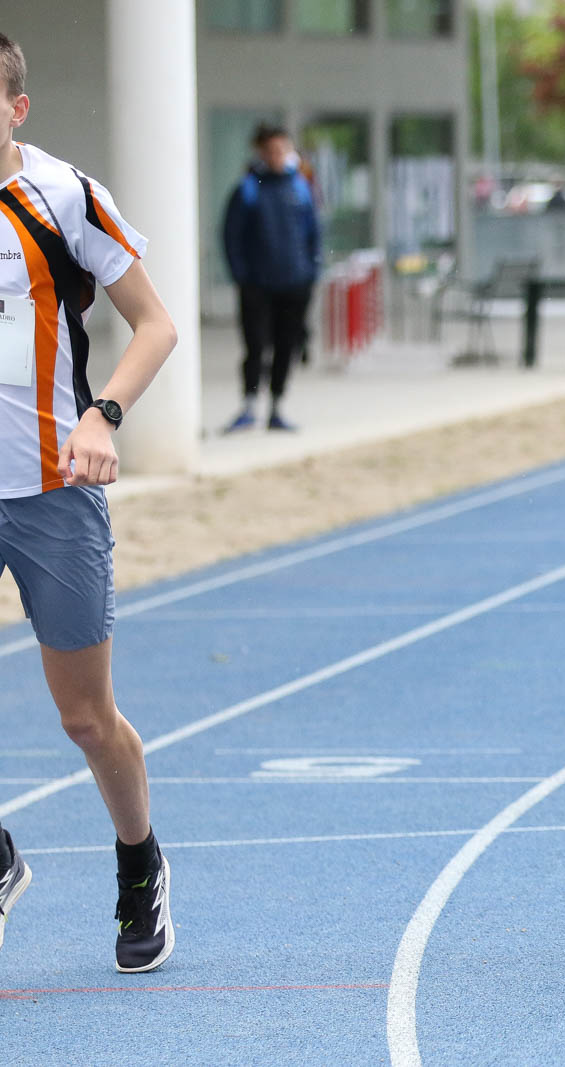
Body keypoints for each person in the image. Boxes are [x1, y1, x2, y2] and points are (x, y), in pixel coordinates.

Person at [0, 31, 178, 972]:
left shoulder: (63, 195)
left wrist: (103, 415)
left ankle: (140, 861)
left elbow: (156, 324)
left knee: (85, 717)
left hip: (53, 492)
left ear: (16, 107)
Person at [221, 122, 321, 433]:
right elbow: (232, 236)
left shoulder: (300, 187)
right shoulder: (248, 189)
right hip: (257, 286)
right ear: (262, 153)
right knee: (255, 346)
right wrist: (242, 277)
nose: (278, 156)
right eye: (272, 150)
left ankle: (277, 407)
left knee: (286, 346)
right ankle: (249, 406)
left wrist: (310, 273)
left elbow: (314, 234)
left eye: (283, 149)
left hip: (295, 284)